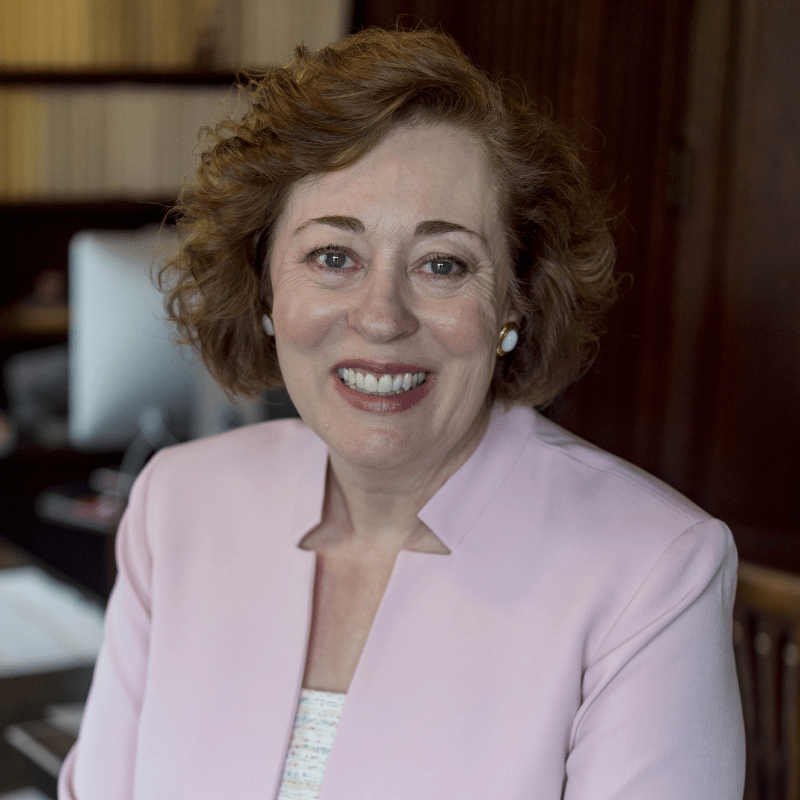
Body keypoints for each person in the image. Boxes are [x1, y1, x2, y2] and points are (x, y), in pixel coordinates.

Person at [58, 27, 745, 800]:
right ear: (265, 290)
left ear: (514, 300)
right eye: (333, 257)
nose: (382, 316)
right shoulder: (177, 503)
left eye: (442, 264)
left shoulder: (652, 572)